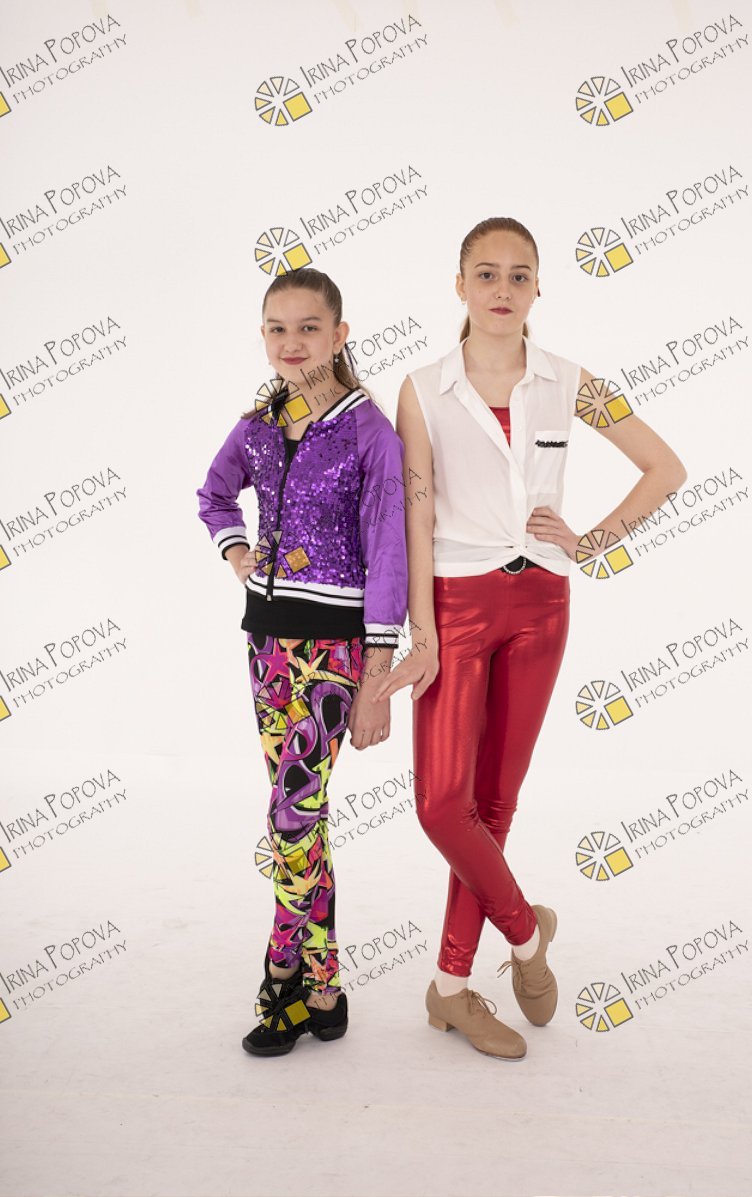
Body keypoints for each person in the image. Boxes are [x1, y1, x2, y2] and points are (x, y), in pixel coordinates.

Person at [373, 216, 686, 1061]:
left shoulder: (572, 380)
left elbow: (665, 468)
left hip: (542, 602)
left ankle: (448, 989)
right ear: (460, 286)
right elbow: (415, 515)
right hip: (456, 602)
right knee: (442, 804)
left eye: (519, 275)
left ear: (539, 287)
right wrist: (422, 633)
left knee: (493, 806)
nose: (502, 289)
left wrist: (591, 540)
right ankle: (525, 933)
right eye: (486, 273)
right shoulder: (421, 389)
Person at [197, 268, 408, 1057]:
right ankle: (326, 985)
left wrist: (379, 672)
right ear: (264, 336)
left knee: (291, 812)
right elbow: (213, 495)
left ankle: (283, 969)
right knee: (302, 815)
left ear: (339, 335)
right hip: (266, 644)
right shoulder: (257, 426)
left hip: (335, 650)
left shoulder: (367, 431)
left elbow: (388, 547)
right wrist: (238, 553)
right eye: (277, 328)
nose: (292, 343)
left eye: (309, 327)